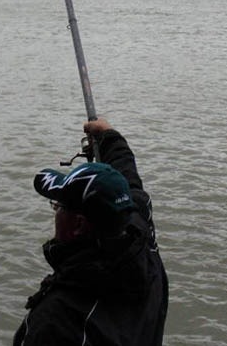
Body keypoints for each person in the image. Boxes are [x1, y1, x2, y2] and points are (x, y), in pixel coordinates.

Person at [13, 118, 168, 346]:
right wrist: (109, 135)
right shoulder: (142, 245)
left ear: (79, 225)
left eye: (59, 207)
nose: (56, 212)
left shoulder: (57, 321)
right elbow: (130, 181)